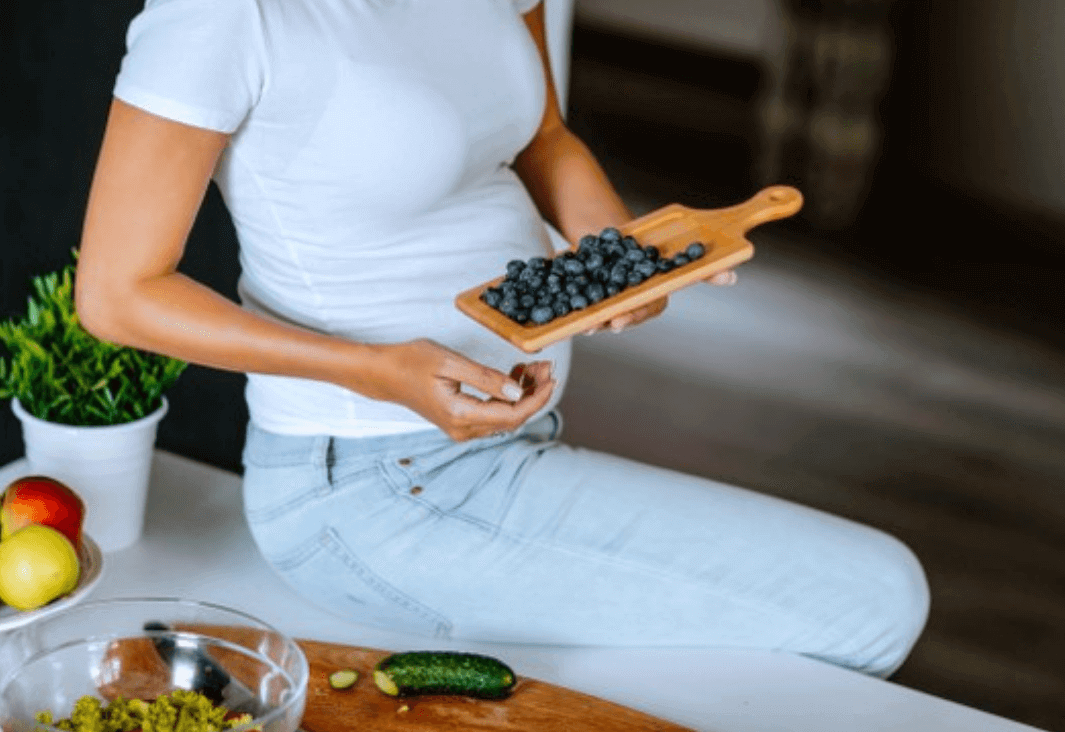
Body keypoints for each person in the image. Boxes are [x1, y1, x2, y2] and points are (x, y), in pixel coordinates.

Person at [75, 0, 929, 678]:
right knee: (878, 599)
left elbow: (541, 139)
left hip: (517, 441)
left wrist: (620, 263)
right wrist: (375, 371)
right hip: (370, 489)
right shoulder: (225, 15)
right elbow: (117, 295)